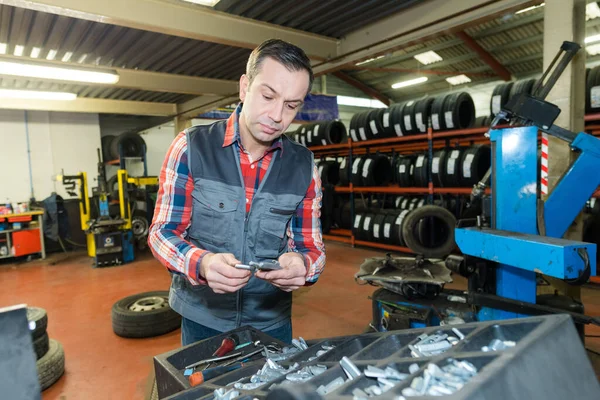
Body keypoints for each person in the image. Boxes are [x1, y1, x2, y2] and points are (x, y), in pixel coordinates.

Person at [148, 39, 326, 346]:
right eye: (268, 96)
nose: (276, 115)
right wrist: (201, 263)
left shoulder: (303, 166)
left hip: (271, 321)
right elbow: (161, 233)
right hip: (203, 318)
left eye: (291, 105)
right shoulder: (191, 147)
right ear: (245, 87)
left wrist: (304, 266)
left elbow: (313, 247)